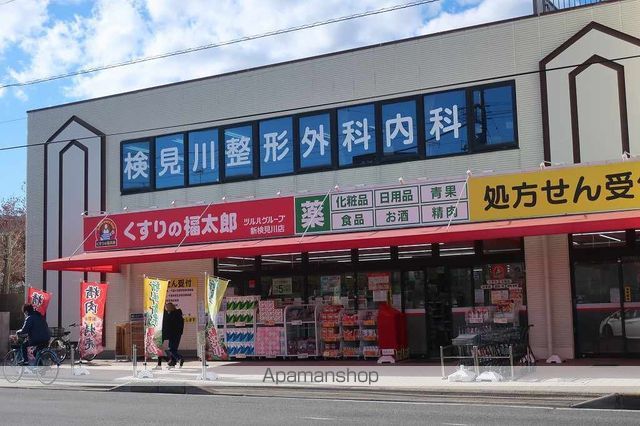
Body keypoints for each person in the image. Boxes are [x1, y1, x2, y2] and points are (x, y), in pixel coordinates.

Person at [162, 302, 184, 367]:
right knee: (173, 349)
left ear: (169, 308)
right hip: (177, 334)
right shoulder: (178, 314)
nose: (166, 309)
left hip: (173, 335)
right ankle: (172, 363)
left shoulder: (172, 315)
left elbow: (167, 325)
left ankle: (179, 358)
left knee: (171, 349)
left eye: (167, 308)